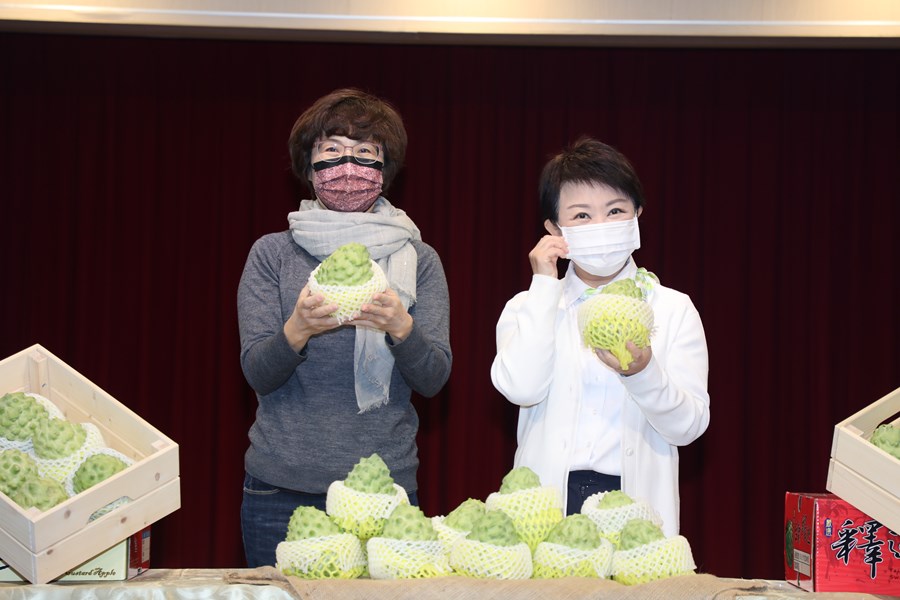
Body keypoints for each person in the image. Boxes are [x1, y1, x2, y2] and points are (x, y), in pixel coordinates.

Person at [237, 88, 452, 567]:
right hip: (280, 489)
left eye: (366, 153)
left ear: (386, 168)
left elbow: (434, 377)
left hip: (384, 492)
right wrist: (297, 329)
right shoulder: (272, 254)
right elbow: (257, 372)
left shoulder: (417, 259)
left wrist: (402, 327)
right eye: (331, 150)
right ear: (308, 164)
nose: (348, 166)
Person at [490, 137, 709, 536]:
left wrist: (642, 371)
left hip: (634, 503)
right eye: (582, 216)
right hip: (549, 504)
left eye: (615, 211)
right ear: (554, 229)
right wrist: (544, 285)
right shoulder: (530, 305)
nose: (602, 225)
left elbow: (688, 426)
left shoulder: (672, 308)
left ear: (637, 214)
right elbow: (521, 387)